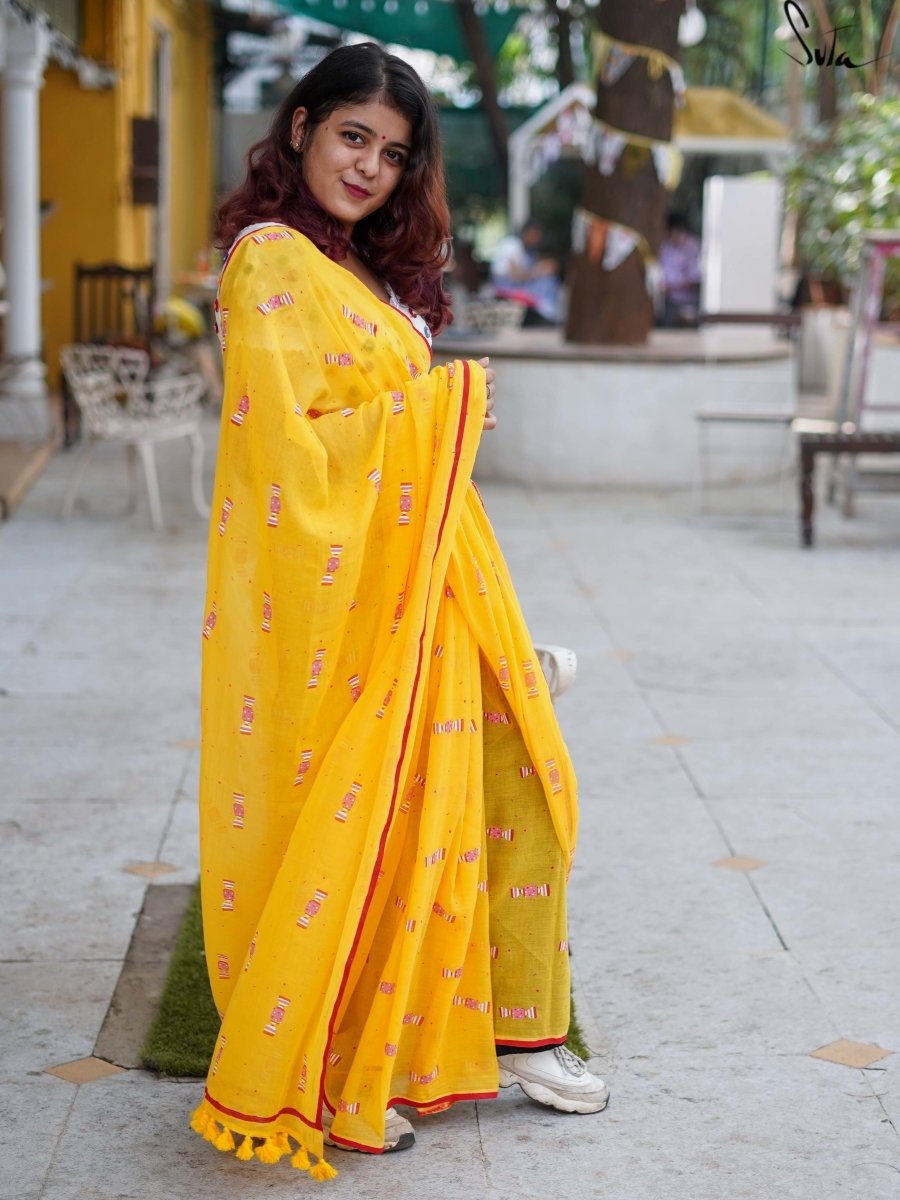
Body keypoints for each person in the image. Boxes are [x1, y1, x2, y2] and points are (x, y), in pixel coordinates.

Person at [190, 42, 607, 1181]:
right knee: (402, 817)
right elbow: (288, 459)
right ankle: (347, 1069)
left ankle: (521, 1030)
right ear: (300, 130)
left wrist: (435, 407)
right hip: (357, 600)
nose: (369, 166)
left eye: (392, 152)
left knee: (519, 786)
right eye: (352, 137)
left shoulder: (366, 270)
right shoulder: (269, 261)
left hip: (438, 573)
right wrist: (446, 403)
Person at [490, 218, 562, 325]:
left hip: (520, 288)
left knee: (550, 280)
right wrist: (539, 270)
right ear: (527, 232)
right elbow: (515, 275)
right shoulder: (512, 245)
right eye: (536, 235)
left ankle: (548, 314)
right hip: (506, 289)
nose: (537, 239)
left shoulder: (530, 252)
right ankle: (547, 314)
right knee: (545, 284)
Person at [659, 211, 702, 327]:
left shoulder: (692, 247)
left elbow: (695, 280)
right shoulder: (665, 246)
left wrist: (671, 287)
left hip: (687, 301)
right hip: (667, 301)